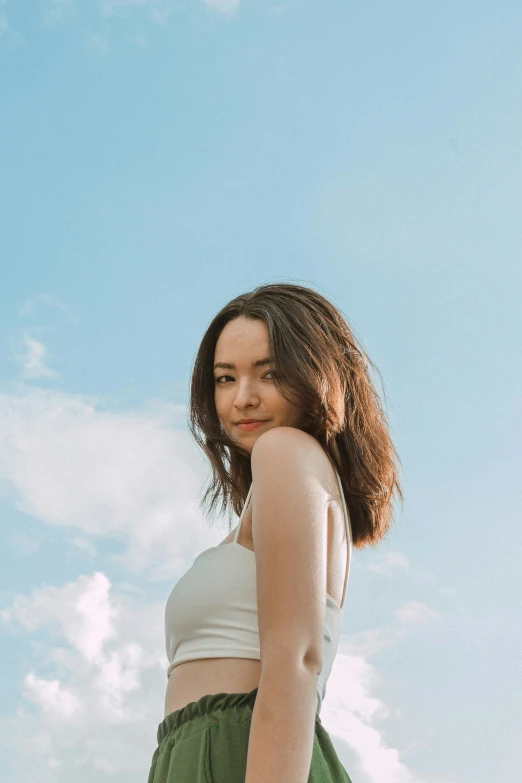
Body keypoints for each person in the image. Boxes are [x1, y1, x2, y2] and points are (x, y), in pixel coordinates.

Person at [147, 282, 403, 783]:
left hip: (241, 752)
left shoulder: (285, 451)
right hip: (199, 753)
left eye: (270, 375)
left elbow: (297, 659)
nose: (243, 398)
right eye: (225, 378)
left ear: (319, 377)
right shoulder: (277, 485)